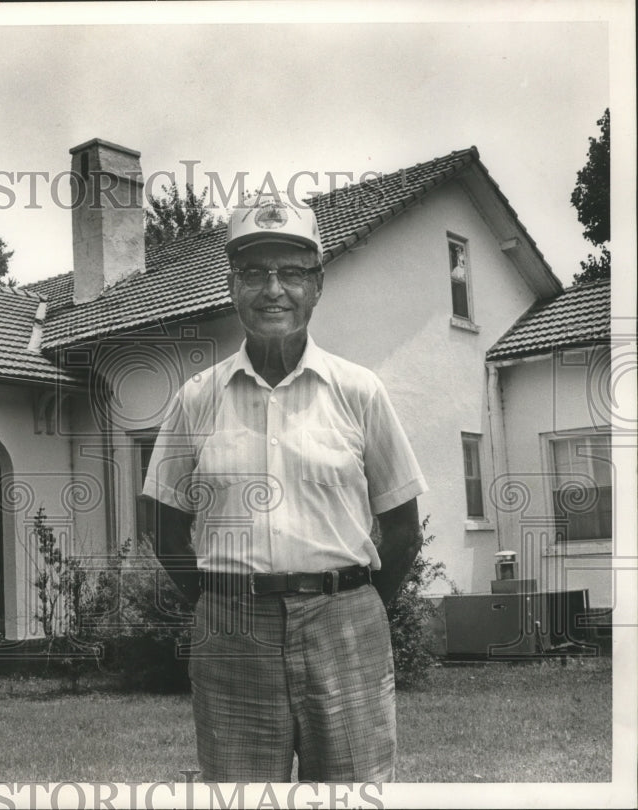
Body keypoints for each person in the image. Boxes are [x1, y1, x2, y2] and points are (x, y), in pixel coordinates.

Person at [141, 193, 427, 782]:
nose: (274, 289)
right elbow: (165, 526)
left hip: (345, 623)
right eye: (254, 273)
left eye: (292, 272)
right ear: (231, 286)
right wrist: (223, 602)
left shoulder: (359, 390)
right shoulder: (197, 397)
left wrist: (353, 605)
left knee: (355, 792)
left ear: (317, 286)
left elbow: (401, 527)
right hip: (231, 631)